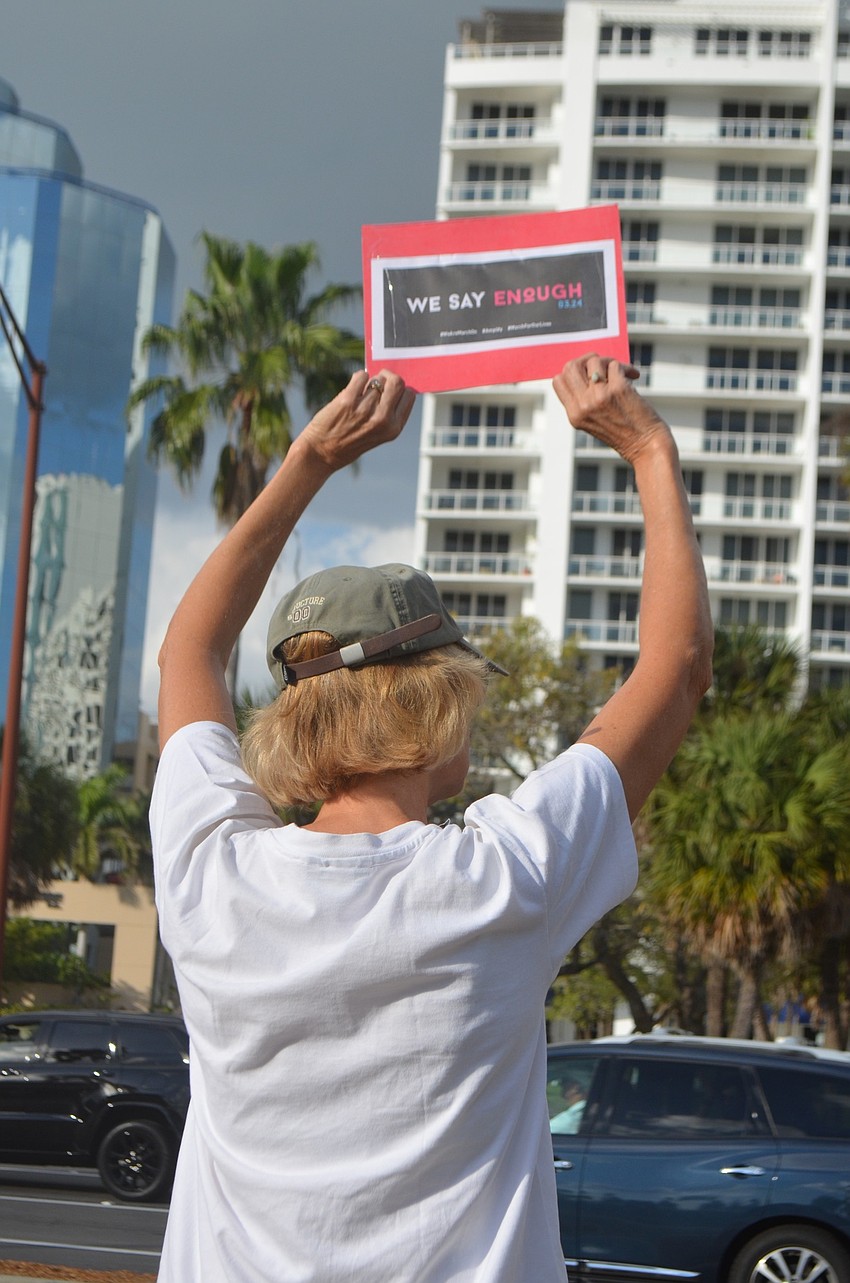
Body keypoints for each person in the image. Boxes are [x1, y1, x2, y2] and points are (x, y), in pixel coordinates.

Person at [149, 357, 713, 1283]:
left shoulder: (210, 875)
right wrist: (647, 447)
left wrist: (309, 459)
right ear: (433, 707)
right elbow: (677, 665)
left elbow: (189, 652)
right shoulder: (506, 878)